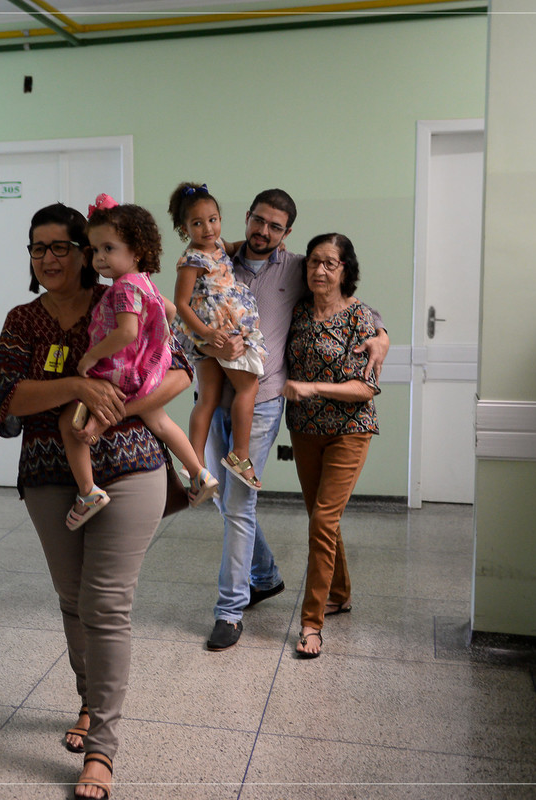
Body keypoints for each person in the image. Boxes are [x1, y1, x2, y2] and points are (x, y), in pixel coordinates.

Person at [0, 202, 193, 800]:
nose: (49, 259)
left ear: (86, 251)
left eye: (61, 247)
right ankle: (88, 700)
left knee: (105, 602)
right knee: (73, 598)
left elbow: (180, 372)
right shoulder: (22, 320)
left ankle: (102, 748)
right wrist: (79, 386)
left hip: (131, 466)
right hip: (52, 475)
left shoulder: (127, 297)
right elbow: (11, 398)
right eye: (37, 248)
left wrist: (119, 410)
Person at [200, 189, 389, 652]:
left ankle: (240, 611)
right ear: (245, 219)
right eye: (258, 221)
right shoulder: (217, 261)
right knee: (223, 499)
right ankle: (265, 575)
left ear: (287, 234)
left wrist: (381, 336)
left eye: (276, 226)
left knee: (248, 506)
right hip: (230, 401)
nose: (264, 232)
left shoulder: (297, 267)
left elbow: (353, 301)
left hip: (266, 404)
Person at [60, 194, 216, 530]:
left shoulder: (121, 289)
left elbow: (127, 332)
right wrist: (154, 343)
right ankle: (200, 473)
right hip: (147, 369)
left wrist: (92, 355)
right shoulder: (143, 281)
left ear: (137, 251)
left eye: (109, 249)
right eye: (95, 250)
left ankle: (88, 491)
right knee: (159, 422)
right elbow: (171, 312)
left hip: (118, 370)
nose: (100, 258)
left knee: (72, 427)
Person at [282, 234, 379, 658]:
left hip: (349, 430)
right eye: (314, 262)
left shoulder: (360, 318)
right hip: (305, 430)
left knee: (322, 520)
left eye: (331, 264)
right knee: (322, 517)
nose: (320, 271)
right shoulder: (298, 312)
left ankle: (311, 622)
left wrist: (313, 387)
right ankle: (339, 592)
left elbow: (366, 388)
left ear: (345, 270)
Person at [168, 182, 266, 490]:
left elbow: (235, 247)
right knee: (247, 387)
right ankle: (239, 454)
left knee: (208, 396)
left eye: (213, 219)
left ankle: (193, 464)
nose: (207, 228)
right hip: (212, 332)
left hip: (216, 331)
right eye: (197, 223)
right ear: (184, 229)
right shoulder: (192, 259)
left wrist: (260, 246)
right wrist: (210, 334)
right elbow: (181, 305)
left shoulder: (218, 246)